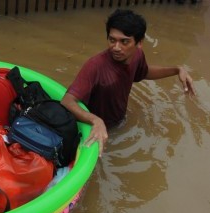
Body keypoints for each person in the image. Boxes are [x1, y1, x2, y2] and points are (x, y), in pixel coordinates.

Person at [60, 9, 196, 156]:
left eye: (124, 41)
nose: (116, 47)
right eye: (112, 40)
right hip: (94, 129)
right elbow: (67, 101)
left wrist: (176, 69)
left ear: (139, 43)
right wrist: (96, 121)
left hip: (118, 123)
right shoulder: (95, 66)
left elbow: (143, 72)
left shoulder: (137, 55)